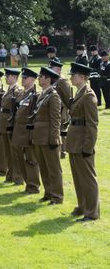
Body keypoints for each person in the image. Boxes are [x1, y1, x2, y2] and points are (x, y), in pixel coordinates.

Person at [66, 62, 100, 222]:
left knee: (87, 178)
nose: (71, 78)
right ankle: (82, 206)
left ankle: (92, 212)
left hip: (82, 143)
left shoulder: (89, 95)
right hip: (74, 141)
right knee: (78, 177)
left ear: (82, 77)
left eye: (73, 75)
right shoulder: (79, 92)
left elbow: (92, 124)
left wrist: (88, 146)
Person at [32, 67, 63, 205]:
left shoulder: (54, 96)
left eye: (41, 76)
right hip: (39, 136)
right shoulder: (43, 94)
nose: (39, 78)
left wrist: (54, 138)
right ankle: (48, 192)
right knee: (43, 167)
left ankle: (57, 196)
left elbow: (56, 119)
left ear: (48, 79)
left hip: (48, 137)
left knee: (53, 168)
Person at [11, 68, 41, 194]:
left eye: (25, 78)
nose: (23, 80)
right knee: (20, 159)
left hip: (28, 131)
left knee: (31, 160)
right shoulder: (23, 94)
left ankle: (33, 185)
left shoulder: (35, 95)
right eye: (22, 77)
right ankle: (27, 182)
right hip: (18, 130)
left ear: (33, 80)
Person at [0, 68, 23, 184]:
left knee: (14, 152)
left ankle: (18, 176)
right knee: (7, 152)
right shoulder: (8, 90)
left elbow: (16, 109)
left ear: (14, 77)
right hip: (4, 123)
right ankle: (10, 175)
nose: (6, 78)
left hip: (11, 123)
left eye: (8, 76)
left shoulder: (18, 91)